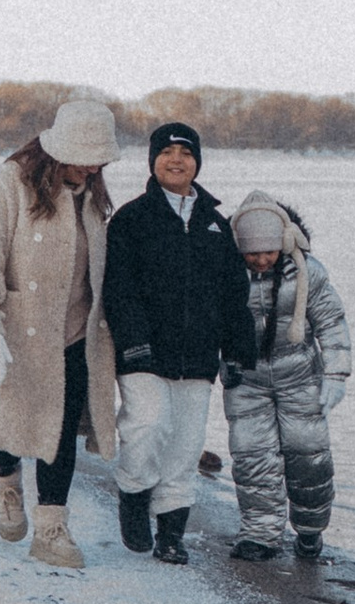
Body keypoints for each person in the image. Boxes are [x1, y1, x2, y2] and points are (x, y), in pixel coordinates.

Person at [0, 95, 121, 570]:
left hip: (74, 332)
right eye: (83, 158)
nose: (91, 168)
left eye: (98, 160)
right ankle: (5, 480)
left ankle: (51, 528)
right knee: (9, 421)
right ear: (56, 149)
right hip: (18, 327)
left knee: (61, 431)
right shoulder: (7, 184)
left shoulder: (92, 196)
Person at [100, 118, 256, 562]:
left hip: (198, 356)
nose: (176, 160)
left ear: (197, 163)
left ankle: (171, 534)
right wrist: (133, 343)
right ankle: (132, 495)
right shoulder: (132, 220)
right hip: (143, 353)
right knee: (147, 426)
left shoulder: (214, 224)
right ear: (153, 162)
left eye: (186, 153)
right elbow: (119, 290)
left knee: (186, 447)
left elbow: (233, 294)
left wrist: (238, 351)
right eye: (167, 152)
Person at [224, 195, 351, 561]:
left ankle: (310, 530)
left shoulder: (307, 271)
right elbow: (208, 321)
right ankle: (260, 534)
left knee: (307, 455)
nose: (262, 259)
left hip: (299, 377)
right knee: (252, 457)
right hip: (246, 380)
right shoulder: (226, 272)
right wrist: (221, 359)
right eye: (253, 253)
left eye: (269, 251)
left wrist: (336, 374)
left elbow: (331, 322)